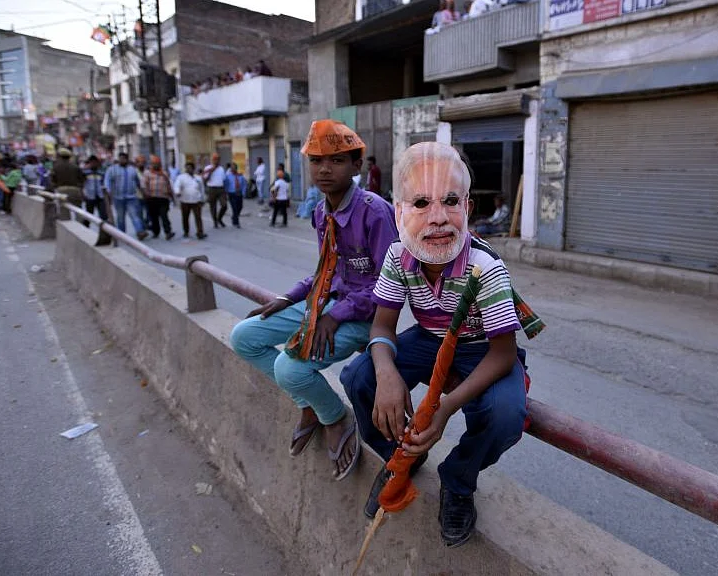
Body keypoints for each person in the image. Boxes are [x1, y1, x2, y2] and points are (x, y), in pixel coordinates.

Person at [340, 142, 543, 548]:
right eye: (420, 203)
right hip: (431, 338)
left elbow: (502, 354)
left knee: (505, 414)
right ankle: (404, 456)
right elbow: (382, 326)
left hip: (482, 348)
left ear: (467, 207)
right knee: (358, 377)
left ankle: (459, 480)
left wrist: (445, 408)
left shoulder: (484, 267)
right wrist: (387, 375)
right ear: (399, 211)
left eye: (450, 201)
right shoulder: (398, 257)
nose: (436, 218)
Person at [230, 119, 398, 481]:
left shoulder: (375, 211)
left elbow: (389, 286)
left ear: (356, 166)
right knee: (243, 337)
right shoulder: (322, 212)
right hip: (326, 303)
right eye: (317, 160)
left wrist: (337, 315)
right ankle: (310, 403)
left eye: (337, 161)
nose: (324, 169)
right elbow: (326, 270)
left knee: (289, 369)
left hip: (362, 315)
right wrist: (287, 297)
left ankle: (334, 416)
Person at [103, 152, 148, 240]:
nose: (122, 160)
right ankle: (122, 234)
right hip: (118, 198)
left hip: (131, 197)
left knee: (135, 215)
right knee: (120, 217)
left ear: (127, 160)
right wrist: (107, 191)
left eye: (124, 159)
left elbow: (137, 182)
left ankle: (140, 231)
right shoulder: (112, 169)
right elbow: (107, 180)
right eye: (120, 158)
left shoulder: (132, 170)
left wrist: (142, 192)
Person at [142, 155, 176, 239]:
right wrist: (146, 195)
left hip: (163, 198)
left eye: (157, 164)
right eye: (154, 164)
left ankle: (168, 232)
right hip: (152, 198)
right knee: (154, 217)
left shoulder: (164, 173)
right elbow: (144, 185)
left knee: (164, 215)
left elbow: (168, 185)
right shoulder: (147, 173)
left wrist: (172, 197)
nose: (156, 165)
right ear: (151, 164)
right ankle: (156, 232)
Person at [175, 161, 207, 240]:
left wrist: (203, 199)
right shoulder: (181, 177)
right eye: (187, 168)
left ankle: (200, 233)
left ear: (193, 169)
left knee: (198, 217)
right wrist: (177, 192)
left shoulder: (198, 178)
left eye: (190, 168)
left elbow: (202, 189)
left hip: (196, 201)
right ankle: (186, 232)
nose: (188, 169)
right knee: (185, 217)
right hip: (185, 201)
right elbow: (177, 185)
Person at [81, 155, 108, 226]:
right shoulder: (85, 173)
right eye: (92, 162)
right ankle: (85, 229)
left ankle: (104, 233)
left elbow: (104, 184)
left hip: (100, 196)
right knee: (88, 215)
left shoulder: (101, 173)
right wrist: (83, 194)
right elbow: (82, 184)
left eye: (95, 162)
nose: (93, 164)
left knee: (104, 216)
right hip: (90, 196)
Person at [202, 153, 227, 228]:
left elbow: (224, 179)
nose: (217, 160)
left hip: (221, 188)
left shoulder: (221, 168)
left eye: (218, 159)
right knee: (213, 207)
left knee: (224, 205)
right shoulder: (208, 168)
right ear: (212, 160)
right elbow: (205, 180)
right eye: (215, 159)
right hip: (212, 188)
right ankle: (215, 221)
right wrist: (211, 171)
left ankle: (219, 218)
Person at [224, 162, 247, 229]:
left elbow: (244, 185)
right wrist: (226, 193)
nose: (232, 169)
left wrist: (243, 193)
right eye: (232, 168)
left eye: (234, 168)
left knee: (240, 207)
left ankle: (234, 217)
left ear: (236, 168)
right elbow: (226, 185)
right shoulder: (228, 176)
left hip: (239, 194)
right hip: (232, 194)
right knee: (235, 208)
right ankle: (236, 222)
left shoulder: (240, 176)